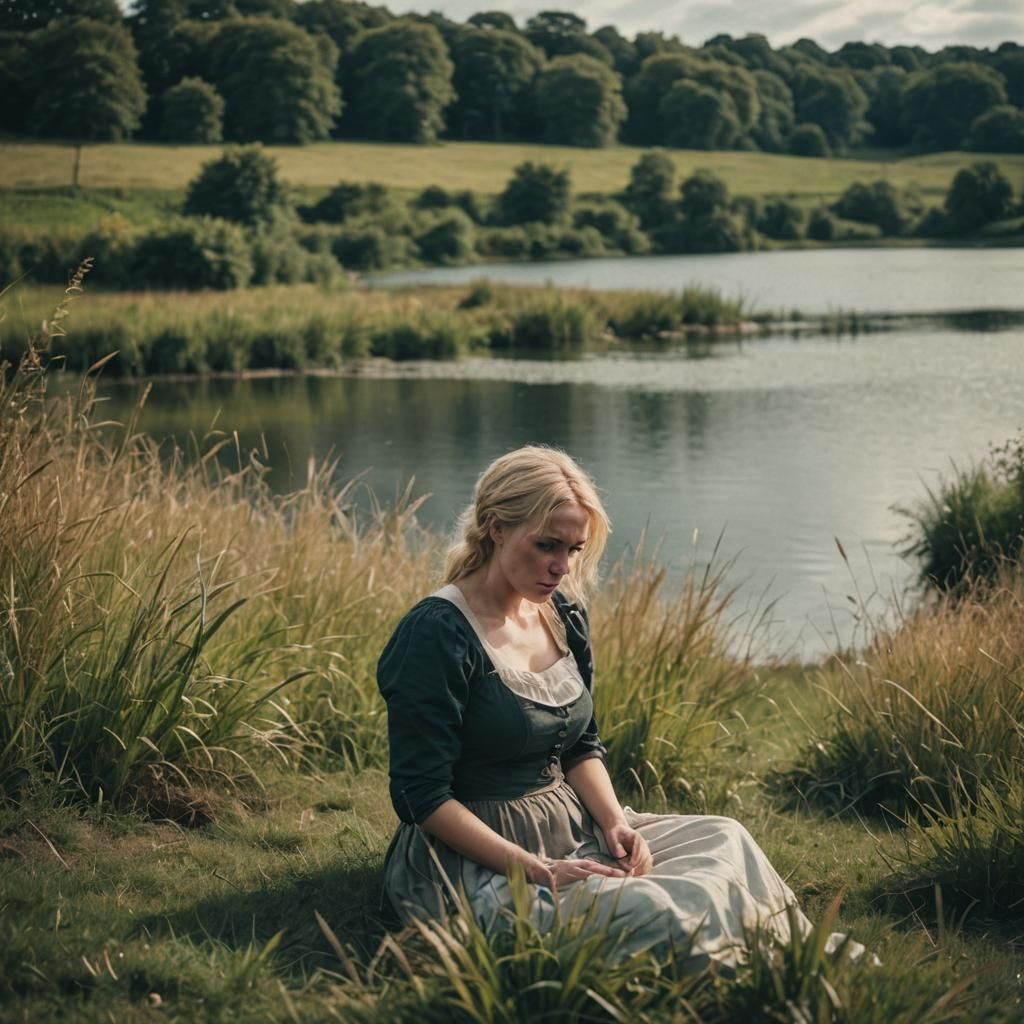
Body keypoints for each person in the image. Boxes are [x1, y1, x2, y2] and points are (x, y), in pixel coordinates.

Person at [377, 445, 857, 967]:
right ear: (495, 527)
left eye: (575, 549)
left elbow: (579, 745)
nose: (561, 567)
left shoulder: (561, 615)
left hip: (571, 827)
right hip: (476, 856)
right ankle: (755, 987)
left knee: (727, 838)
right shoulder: (437, 634)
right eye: (546, 546)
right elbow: (420, 796)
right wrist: (536, 870)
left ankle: (795, 969)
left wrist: (613, 824)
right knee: (664, 910)